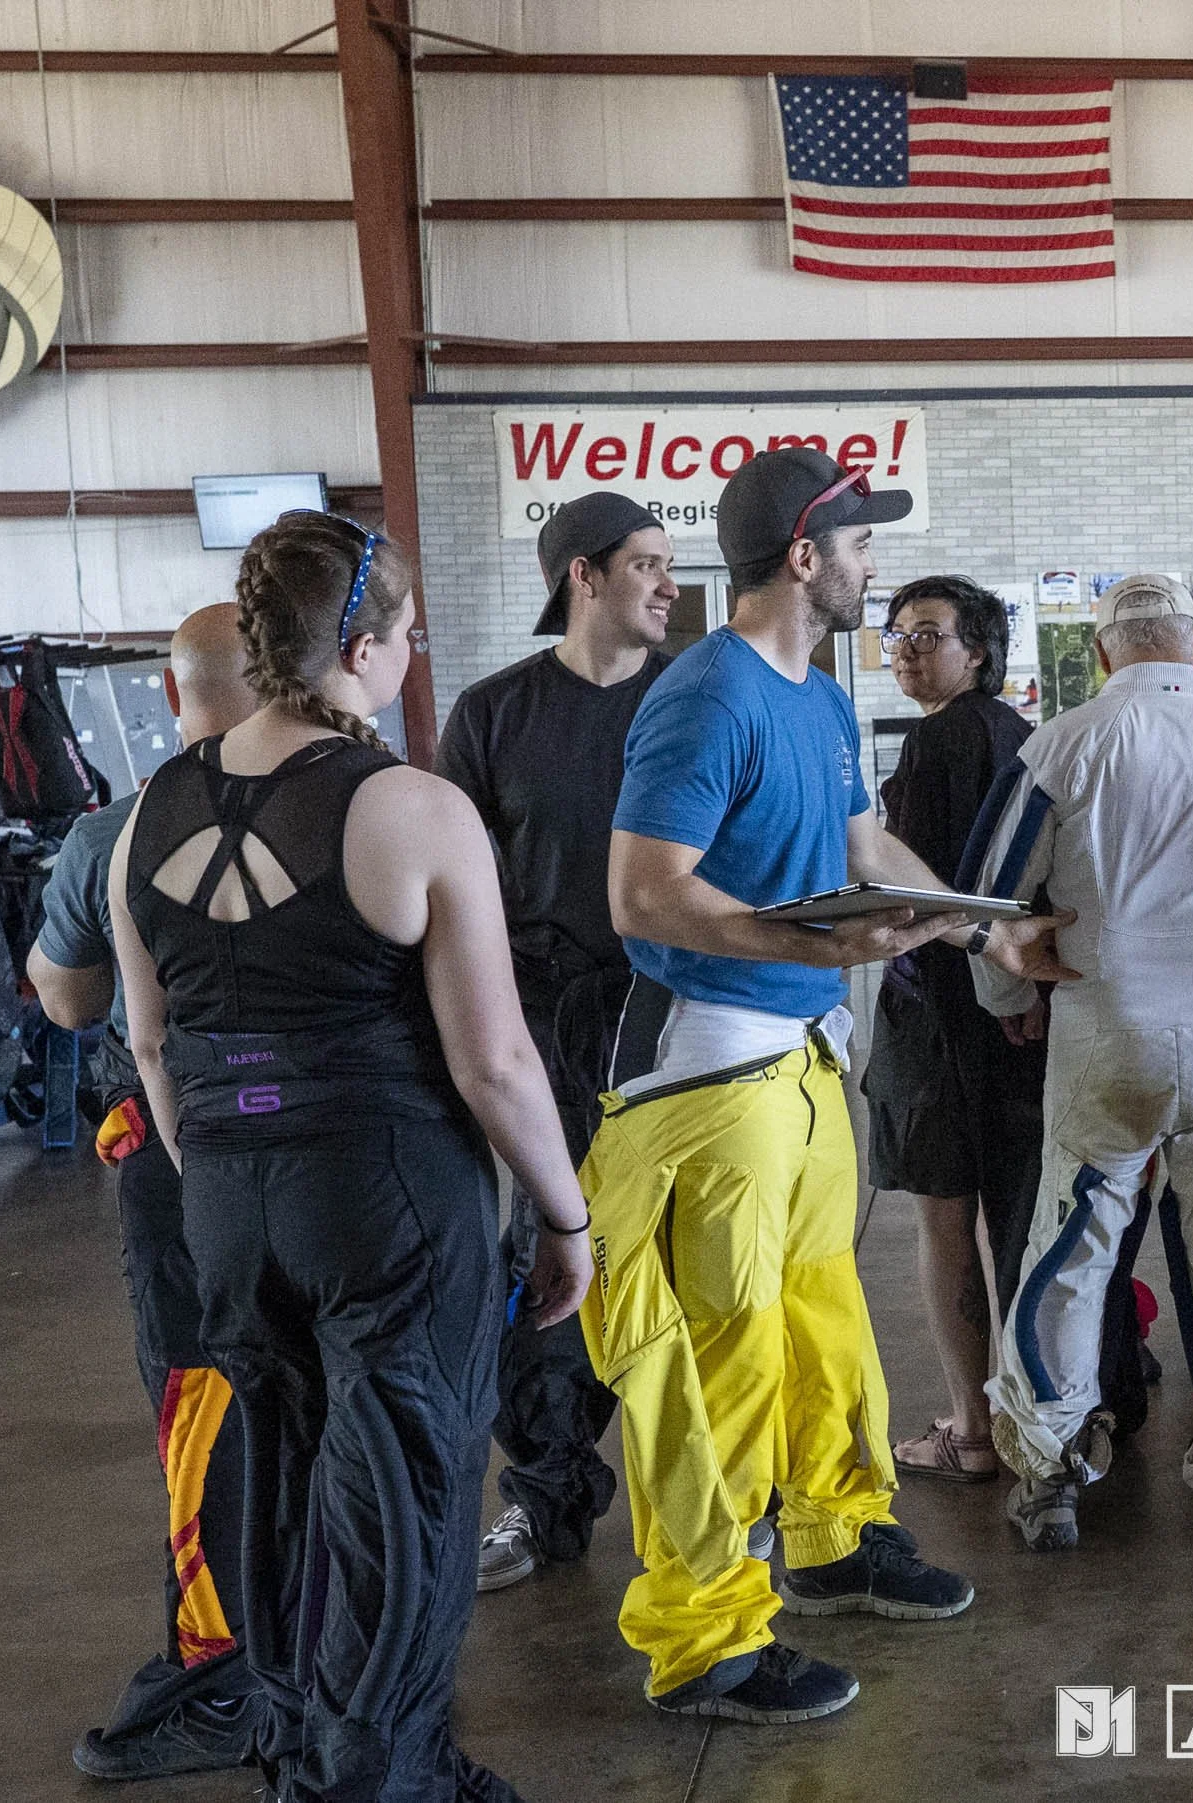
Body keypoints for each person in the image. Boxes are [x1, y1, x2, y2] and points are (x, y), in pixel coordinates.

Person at [106, 512, 594, 1801]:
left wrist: (224, 1175)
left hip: (219, 1191)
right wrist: (564, 1217)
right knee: (407, 1498)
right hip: (385, 1198)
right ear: (365, 647)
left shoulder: (151, 805)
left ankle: (297, 1752)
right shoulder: (411, 808)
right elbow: (495, 1063)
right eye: (407, 639)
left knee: (278, 1476)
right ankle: (383, 1777)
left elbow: (151, 1045)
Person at [582, 447, 1069, 1723]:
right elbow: (644, 891)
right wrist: (804, 944)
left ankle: (832, 1542)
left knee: (819, 1326)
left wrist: (978, 926)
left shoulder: (813, 693)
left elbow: (863, 847)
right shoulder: (707, 697)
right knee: (720, 1364)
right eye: (859, 545)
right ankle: (704, 1643)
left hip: (799, 1060)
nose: (873, 565)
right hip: (704, 1074)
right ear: (804, 558)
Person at [969, 573, 1193, 1549]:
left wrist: (1008, 998)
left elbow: (988, 897)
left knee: (1071, 1243)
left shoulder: (1063, 744)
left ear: (1101, 653)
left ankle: (1049, 1470)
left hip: (1100, 1033)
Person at [31, 605, 262, 1781]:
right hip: (349, 1162)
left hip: (187, 1159)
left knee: (205, 1405)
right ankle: (347, 1652)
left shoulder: (118, 831)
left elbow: (70, 1004)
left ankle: (224, 1679)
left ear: (170, 699)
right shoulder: (374, 800)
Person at [437, 491, 678, 1594]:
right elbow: (456, 894)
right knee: (550, 1267)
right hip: (543, 1037)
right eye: (646, 564)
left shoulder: (693, 704)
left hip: (679, 1024)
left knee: (692, 1268)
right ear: (580, 577)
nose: (668, 585)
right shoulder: (491, 717)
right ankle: (547, 1500)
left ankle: (724, 1505)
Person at [860, 575, 1146, 1479]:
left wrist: (996, 992)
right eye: (897, 633)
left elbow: (957, 894)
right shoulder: (1020, 734)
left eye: (929, 634)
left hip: (951, 1015)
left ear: (978, 650)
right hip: (1012, 1010)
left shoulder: (948, 738)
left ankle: (974, 1427)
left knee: (948, 1218)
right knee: (1030, 1210)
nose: (907, 649)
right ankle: (1075, 1396)